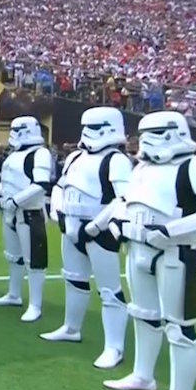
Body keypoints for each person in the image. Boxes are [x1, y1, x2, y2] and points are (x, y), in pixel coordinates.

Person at [93, 112, 196, 390]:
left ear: (172, 132)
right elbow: (126, 201)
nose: (145, 141)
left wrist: (171, 231)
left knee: (179, 326)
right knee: (143, 315)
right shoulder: (142, 168)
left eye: (153, 133)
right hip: (137, 249)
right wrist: (115, 223)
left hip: (176, 253)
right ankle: (143, 375)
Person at [41, 107, 133, 369]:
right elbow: (60, 185)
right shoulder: (75, 157)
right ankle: (71, 327)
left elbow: (123, 199)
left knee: (110, 290)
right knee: (73, 280)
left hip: (99, 230)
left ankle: (114, 347)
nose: (88, 132)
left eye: (94, 126)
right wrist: (57, 211)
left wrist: (96, 225)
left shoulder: (116, 160)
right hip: (70, 225)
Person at [0, 116, 52, 322]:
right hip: (10, 211)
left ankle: (35, 304)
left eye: (17, 129)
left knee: (33, 260)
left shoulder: (40, 154)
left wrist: (16, 201)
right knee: (13, 256)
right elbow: (6, 180)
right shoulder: (14, 155)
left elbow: (40, 184)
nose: (13, 133)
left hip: (29, 213)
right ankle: (14, 293)